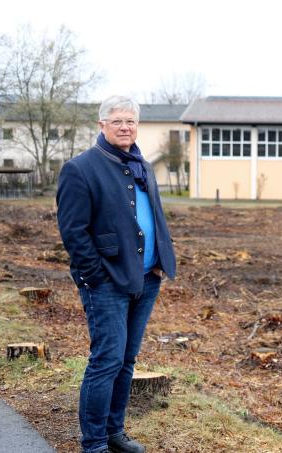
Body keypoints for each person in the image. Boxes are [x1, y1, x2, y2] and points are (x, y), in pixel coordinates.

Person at [56, 95, 176, 453]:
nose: (125, 127)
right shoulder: (80, 169)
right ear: (102, 125)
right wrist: (95, 276)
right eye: (118, 121)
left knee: (126, 361)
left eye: (131, 121)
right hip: (107, 282)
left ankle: (114, 433)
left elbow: (152, 216)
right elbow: (73, 231)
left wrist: (160, 261)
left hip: (146, 278)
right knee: (106, 361)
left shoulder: (141, 164)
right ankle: (93, 444)